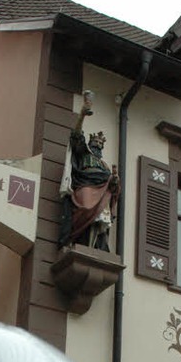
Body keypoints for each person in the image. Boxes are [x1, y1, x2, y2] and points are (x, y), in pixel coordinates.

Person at [58, 94, 120, 252]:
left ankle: (98, 246)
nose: (97, 146)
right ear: (90, 144)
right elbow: (76, 136)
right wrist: (82, 115)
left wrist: (114, 181)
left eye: (100, 145)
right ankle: (81, 241)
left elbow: (113, 188)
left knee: (101, 221)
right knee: (85, 208)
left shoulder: (104, 165)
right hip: (85, 186)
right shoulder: (84, 153)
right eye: (95, 143)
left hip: (103, 192)